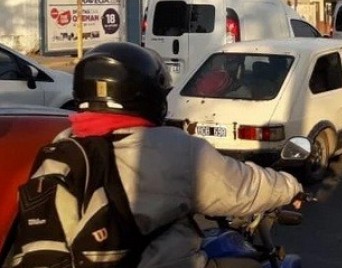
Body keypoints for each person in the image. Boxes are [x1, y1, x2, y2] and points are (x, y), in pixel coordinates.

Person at [21, 42, 305, 268]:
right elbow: (245, 188)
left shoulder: (63, 145)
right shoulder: (172, 148)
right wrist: (290, 186)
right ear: (148, 95)